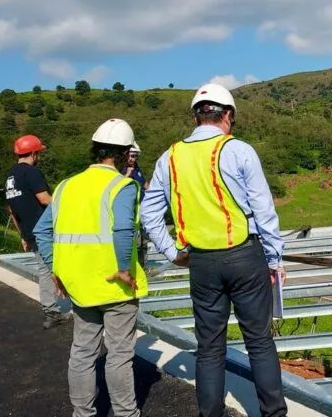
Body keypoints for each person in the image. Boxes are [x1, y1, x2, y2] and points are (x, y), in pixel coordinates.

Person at [141, 83, 287, 417]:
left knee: (208, 349)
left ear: (196, 116)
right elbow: (264, 211)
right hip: (244, 255)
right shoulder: (239, 150)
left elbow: (149, 213)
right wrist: (275, 258)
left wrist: (172, 252)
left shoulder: (171, 156)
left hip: (201, 261)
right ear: (228, 115)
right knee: (260, 342)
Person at [33, 118, 148, 417]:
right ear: (124, 154)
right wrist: (125, 269)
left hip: (79, 286)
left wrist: (55, 269)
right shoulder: (122, 185)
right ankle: (126, 414)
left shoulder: (65, 186)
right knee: (119, 355)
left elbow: (41, 232)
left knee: (83, 352)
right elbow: (123, 229)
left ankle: (82, 413)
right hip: (116, 285)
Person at [5, 134, 70, 329]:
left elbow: (11, 210)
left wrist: (23, 235)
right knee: (53, 268)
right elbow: (44, 199)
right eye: (39, 153)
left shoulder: (10, 176)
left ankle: (51, 310)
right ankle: (55, 310)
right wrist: (68, 208)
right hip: (45, 231)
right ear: (34, 153)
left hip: (29, 231)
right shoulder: (32, 173)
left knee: (45, 269)